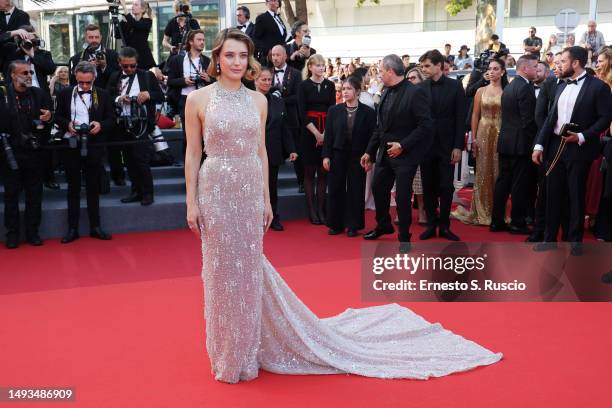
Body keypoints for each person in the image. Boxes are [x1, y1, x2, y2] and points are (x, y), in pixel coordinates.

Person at [184, 27, 502, 386]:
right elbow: (193, 153)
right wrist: (191, 202)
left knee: (246, 270)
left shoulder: (259, 100)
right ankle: (226, 351)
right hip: (215, 190)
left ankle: (244, 349)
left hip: (245, 190)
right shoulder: (198, 100)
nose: (237, 62)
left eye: (243, 56)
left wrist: (266, 199)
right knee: (219, 273)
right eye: (229, 55)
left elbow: (260, 152)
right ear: (216, 58)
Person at [532, 46, 612, 255]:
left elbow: (605, 117)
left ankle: (575, 242)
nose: (558, 65)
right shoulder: (560, 86)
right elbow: (551, 119)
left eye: (563, 62)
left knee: (575, 196)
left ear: (575, 63)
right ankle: (549, 240)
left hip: (579, 148)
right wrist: (539, 145)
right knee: (552, 194)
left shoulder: (599, 87)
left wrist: (583, 136)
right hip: (555, 147)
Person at [361, 54, 433, 250]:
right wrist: (369, 151)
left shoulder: (415, 93)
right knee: (378, 188)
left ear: (390, 71)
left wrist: (403, 145)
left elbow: (425, 126)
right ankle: (384, 225)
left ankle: (404, 238)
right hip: (385, 153)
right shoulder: (384, 91)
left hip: (405, 155)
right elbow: (380, 127)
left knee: (402, 196)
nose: (379, 74)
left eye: (381, 70)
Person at [55, 61, 116, 244]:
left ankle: (95, 227)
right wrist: (67, 124)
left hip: (95, 145)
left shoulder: (103, 94)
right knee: (73, 188)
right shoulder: (65, 93)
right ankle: (72, 229)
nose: (84, 86)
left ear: (94, 79)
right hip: (71, 144)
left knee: (93, 188)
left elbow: (112, 119)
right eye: (80, 82)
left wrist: (100, 125)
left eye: (88, 83)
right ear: (75, 78)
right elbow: (57, 116)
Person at [1, 60, 53, 248]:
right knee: (11, 195)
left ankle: (33, 232)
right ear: (13, 75)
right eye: (24, 73)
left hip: (34, 152)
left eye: (30, 72)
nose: (29, 76)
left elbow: (49, 119)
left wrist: (48, 118)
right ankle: (12, 234)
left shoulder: (39, 93)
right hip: (10, 154)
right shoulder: (3, 94)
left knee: (35, 195)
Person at [418, 50, 466, 241]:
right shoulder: (420, 88)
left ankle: (444, 226)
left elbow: (460, 119)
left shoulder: (455, 87)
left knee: (446, 187)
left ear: (439, 65)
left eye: (427, 65)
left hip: (447, 146)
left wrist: (457, 146)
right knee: (428, 186)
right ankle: (431, 225)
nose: (424, 69)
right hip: (426, 146)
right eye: (422, 66)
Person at [107, 46, 163, 206]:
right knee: (129, 161)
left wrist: (149, 94)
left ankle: (147, 193)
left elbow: (160, 96)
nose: (129, 69)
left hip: (142, 124)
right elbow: (107, 96)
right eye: (126, 66)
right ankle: (135, 191)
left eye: (133, 65)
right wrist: (118, 98)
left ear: (137, 63)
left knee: (141, 160)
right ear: (119, 63)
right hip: (122, 124)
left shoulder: (147, 76)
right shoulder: (114, 77)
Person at [490, 54, 538, 234]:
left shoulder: (509, 87)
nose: (536, 69)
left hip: (506, 143)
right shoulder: (525, 88)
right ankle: (517, 223)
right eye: (534, 66)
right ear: (525, 68)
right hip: (520, 145)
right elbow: (528, 121)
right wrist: (536, 142)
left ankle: (496, 221)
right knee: (519, 185)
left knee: (503, 183)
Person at [453, 59, 505, 226]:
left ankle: (496, 212)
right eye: (490, 68)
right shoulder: (480, 91)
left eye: (496, 69)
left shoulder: (507, 91)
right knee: (482, 172)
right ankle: (481, 210)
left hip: (500, 133)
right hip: (483, 132)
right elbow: (475, 115)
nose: (492, 71)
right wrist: (474, 137)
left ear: (502, 72)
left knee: (497, 172)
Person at [322, 75, 375, 237]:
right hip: (337, 154)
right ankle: (335, 224)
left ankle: (353, 225)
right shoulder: (334, 110)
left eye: (349, 89)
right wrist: (326, 156)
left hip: (358, 156)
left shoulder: (368, 112)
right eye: (343, 89)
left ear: (357, 91)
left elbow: (373, 136)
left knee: (356, 190)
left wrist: (370, 157)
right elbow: (329, 135)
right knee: (335, 188)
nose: (345, 92)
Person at [255, 66, 297, 231]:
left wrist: (291, 149)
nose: (266, 83)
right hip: (250, 152)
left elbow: (284, 128)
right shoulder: (246, 101)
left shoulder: (278, 101)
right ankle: (252, 218)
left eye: (269, 80)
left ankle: (272, 217)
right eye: (263, 79)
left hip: (272, 151)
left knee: (271, 186)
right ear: (255, 80)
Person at [297, 53, 335, 224]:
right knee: (309, 172)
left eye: (322, 65)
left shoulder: (330, 85)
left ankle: (321, 209)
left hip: (327, 131)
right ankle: (311, 210)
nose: (321, 68)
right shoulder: (303, 86)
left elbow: (333, 110)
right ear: (310, 67)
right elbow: (302, 113)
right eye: (317, 65)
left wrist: (325, 133)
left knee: (323, 173)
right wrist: (316, 133)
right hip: (308, 132)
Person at [166, 29, 213, 154]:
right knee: (189, 135)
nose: (202, 42)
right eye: (199, 40)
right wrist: (184, 81)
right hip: (185, 99)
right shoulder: (178, 60)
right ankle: (188, 167)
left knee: (205, 135)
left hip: (203, 100)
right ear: (191, 42)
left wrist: (208, 79)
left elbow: (216, 82)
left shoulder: (207, 61)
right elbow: (170, 81)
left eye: (203, 40)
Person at [270, 44, 303, 192]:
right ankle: (271, 184)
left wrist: (281, 100)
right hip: (273, 120)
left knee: (296, 151)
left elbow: (298, 97)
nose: (275, 58)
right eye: (273, 55)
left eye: (278, 55)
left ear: (285, 56)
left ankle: (301, 181)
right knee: (274, 152)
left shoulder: (295, 73)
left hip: (291, 118)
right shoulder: (267, 73)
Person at [68, 24, 119, 89]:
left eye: (96, 37)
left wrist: (104, 66)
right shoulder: (77, 58)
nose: (94, 40)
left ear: (101, 38)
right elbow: (72, 82)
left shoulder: (112, 55)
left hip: (106, 94)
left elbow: (118, 78)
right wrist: (86, 69)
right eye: (91, 37)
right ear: (85, 38)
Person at [118, 0, 156, 70]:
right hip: (130, 59)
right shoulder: (129, 22)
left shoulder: (147, 21)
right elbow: (118, 35)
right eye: (132, 4)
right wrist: (120, 21)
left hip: (144, 61)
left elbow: (136, 25)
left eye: (135, 5)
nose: (132, 7)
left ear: (142, 9)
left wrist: (124, 7)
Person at [252, 0, 287, 65]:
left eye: (275, 0)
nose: (273, 2)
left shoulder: (278, 18)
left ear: (278, 3)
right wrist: (267, 50)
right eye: (270, 0)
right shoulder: (262, 18)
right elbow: (255, 38)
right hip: (269, 58)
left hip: (281, 57)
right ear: (266, 3)